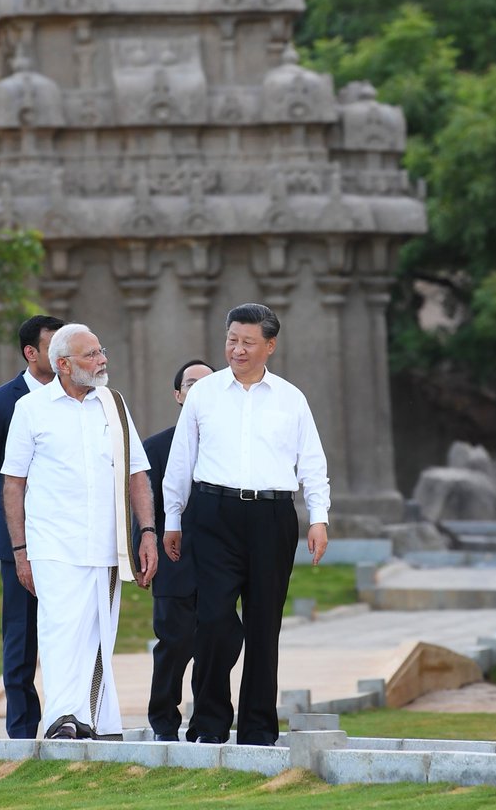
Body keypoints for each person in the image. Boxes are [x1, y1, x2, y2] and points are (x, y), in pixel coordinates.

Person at [163, 302, 330, 747]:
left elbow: (312, 463)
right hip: (213, 515)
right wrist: (172, 519)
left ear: (269, 346)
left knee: (263, 625)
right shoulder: (204, 393)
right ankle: (210, 724)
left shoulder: (291, 398)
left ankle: (257, 730)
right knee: (214, 620)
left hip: (273, 517)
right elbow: (181, 461)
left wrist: (320, 518)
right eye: (232, 340)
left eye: (248, 342)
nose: (237, 349)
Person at [1, 322, 158, 741]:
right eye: (91, 354)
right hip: (52, 544)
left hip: (107, 545)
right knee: (58, 630)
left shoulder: (114, 404)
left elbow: (137, 473)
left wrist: (147, 532)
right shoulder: (31, 409)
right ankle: (61, 720)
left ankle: (96, 724)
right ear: (64, 364)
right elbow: (13, 484)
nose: (102, 359)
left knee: (99, 635)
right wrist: (20, 551)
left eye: (101, 350)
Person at [0, 314, 63, 740]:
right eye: (53, 347)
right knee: (22, 635)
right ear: (31, 353)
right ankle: (22, 729)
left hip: (70, 533)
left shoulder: (81, 396)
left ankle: (72, 719)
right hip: (18, 538)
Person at [134, 359, 214, 742]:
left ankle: (207, 726)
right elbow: (144, 506)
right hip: (174, 562)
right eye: (191, 383)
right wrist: (144, 553)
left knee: (215, 646)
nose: (199, 389)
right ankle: (164, 723)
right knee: (174, 643)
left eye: (208, 383)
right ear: (178, 395)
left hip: (221, 563)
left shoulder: (231, 445)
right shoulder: (155, 447)